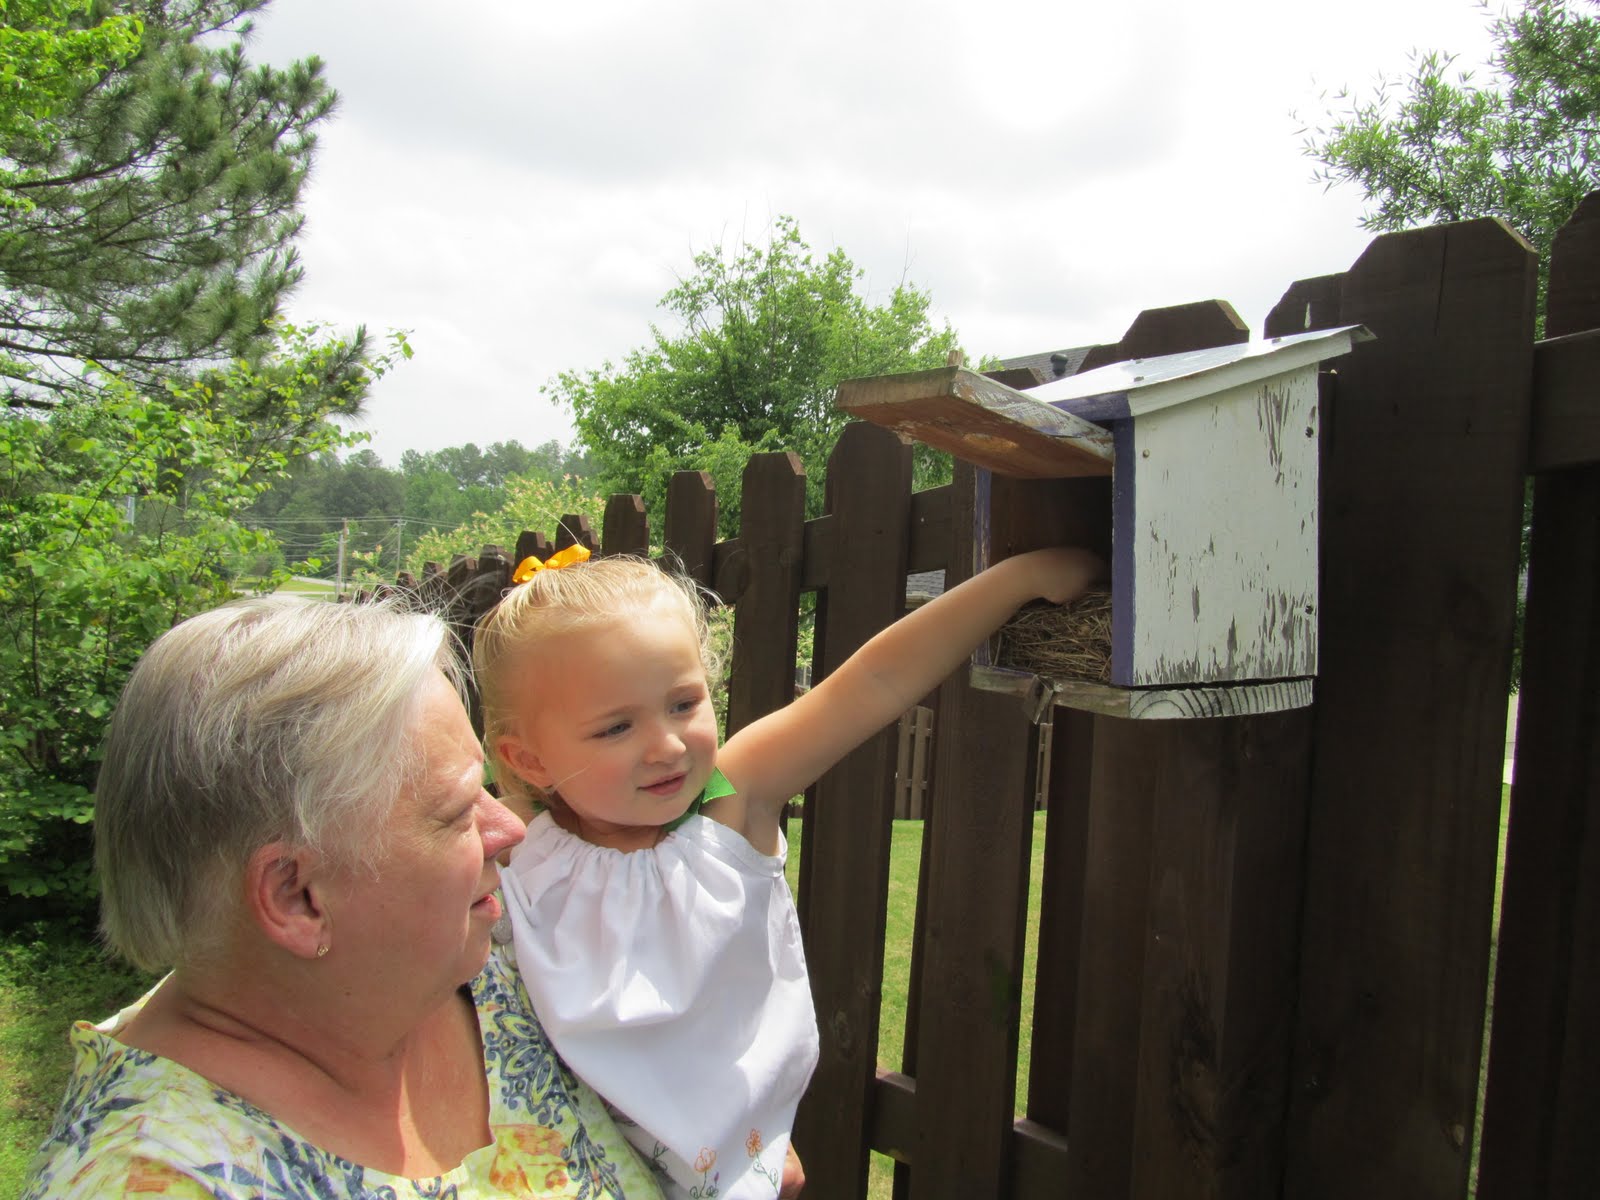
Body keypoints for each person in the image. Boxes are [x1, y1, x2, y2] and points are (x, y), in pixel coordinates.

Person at [474, 545, 1102, 1200]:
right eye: (615, 728)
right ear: (531, 759)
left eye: (683, 703)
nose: (667, 744)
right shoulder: (521, 850)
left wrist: (1016, 579)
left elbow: (874, 681)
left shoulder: (727, 804)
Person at [22, 595, 671, 1199]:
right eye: (455, 814)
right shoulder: (158, 1180)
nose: (507, 828)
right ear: (298, 897)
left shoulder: (479, 965)